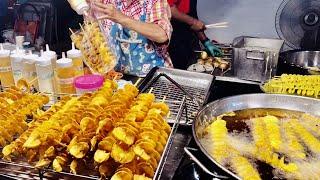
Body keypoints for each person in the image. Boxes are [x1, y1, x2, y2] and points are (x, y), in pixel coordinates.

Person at [90, 0, 173, 77]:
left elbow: (162, 35)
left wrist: (121, 18)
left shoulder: (153, 2)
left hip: (153, 78)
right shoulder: (107, 2)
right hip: (118, 79)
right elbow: (95, 33)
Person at [168, 0, 222, 69]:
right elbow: (170, 10)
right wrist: (194, 22)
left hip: (190, 39)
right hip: (173, 39)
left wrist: (205, 41)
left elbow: (193, 15)